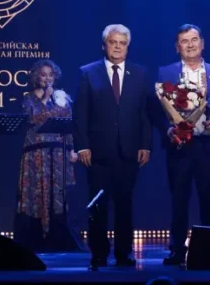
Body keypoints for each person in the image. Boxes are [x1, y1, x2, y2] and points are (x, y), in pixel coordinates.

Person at [73, 24, 152, 268]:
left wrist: (146, 145)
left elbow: (145, 114)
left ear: (128, 46)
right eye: (113, 42)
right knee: (98, 206)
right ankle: (98, 253)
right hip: (97, 153)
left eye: (122, 43)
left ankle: (124, 253)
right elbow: (80, 114)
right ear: (104, 45)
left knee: (124, 205)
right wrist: (82, 146)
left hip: (129, 152)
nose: (117, 47)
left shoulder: (140, 73)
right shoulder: (88, 73)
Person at [156, 24, 210, 265]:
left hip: (208, 146)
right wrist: (168, 130)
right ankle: (177, 249)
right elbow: (156, 111)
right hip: (179, 146)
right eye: (184, 41)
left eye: (194, 40)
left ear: (202, 43)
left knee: (208, 198)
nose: (190, 45)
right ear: (177, 47)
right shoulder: (165, 73)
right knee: (179, 199)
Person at [14, 59, 78, 252]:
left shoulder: (62, 97)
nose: (47, 78)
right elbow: (32, 118)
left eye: (51, 75)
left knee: (58, 194)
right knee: (36, 194)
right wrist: (44, 99)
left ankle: (58, 236)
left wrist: (72, 149)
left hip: (58, 153)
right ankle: (34, 237)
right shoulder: (28, 99)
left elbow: (69, 123)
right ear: (36, 77)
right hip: (36, 154)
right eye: (43, 75)